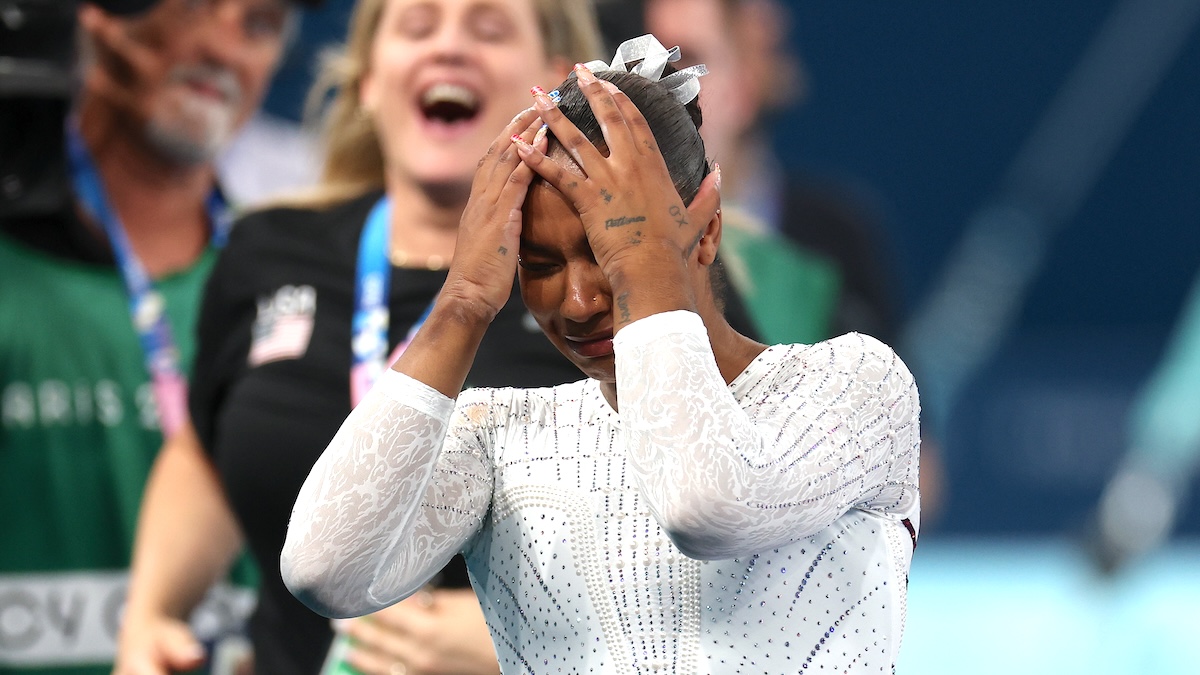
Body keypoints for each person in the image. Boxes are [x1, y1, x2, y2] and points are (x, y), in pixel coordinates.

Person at [281, 35, 922, 673]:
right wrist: (464, 301)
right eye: (540, 265)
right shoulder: (498, 439)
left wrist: (643, 266)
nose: (580, 301)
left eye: (608, 252)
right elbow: (323, 571)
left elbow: (703, 506)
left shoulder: (856, 385)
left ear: (708, 232)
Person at [113, 1, 608, 674]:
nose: (450, 49)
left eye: (488, 30)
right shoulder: (270, 249)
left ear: (553, 83)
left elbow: (727, 526)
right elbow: (206, 445)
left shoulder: (618, 269)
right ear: (369, 80)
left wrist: (534, 633)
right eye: (417, 26)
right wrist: (150, 614)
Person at [0, 0, 298, 672]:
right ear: (100, 15)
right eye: (195, 8)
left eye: (260, 25)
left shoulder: (294, 282)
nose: (225, 50)